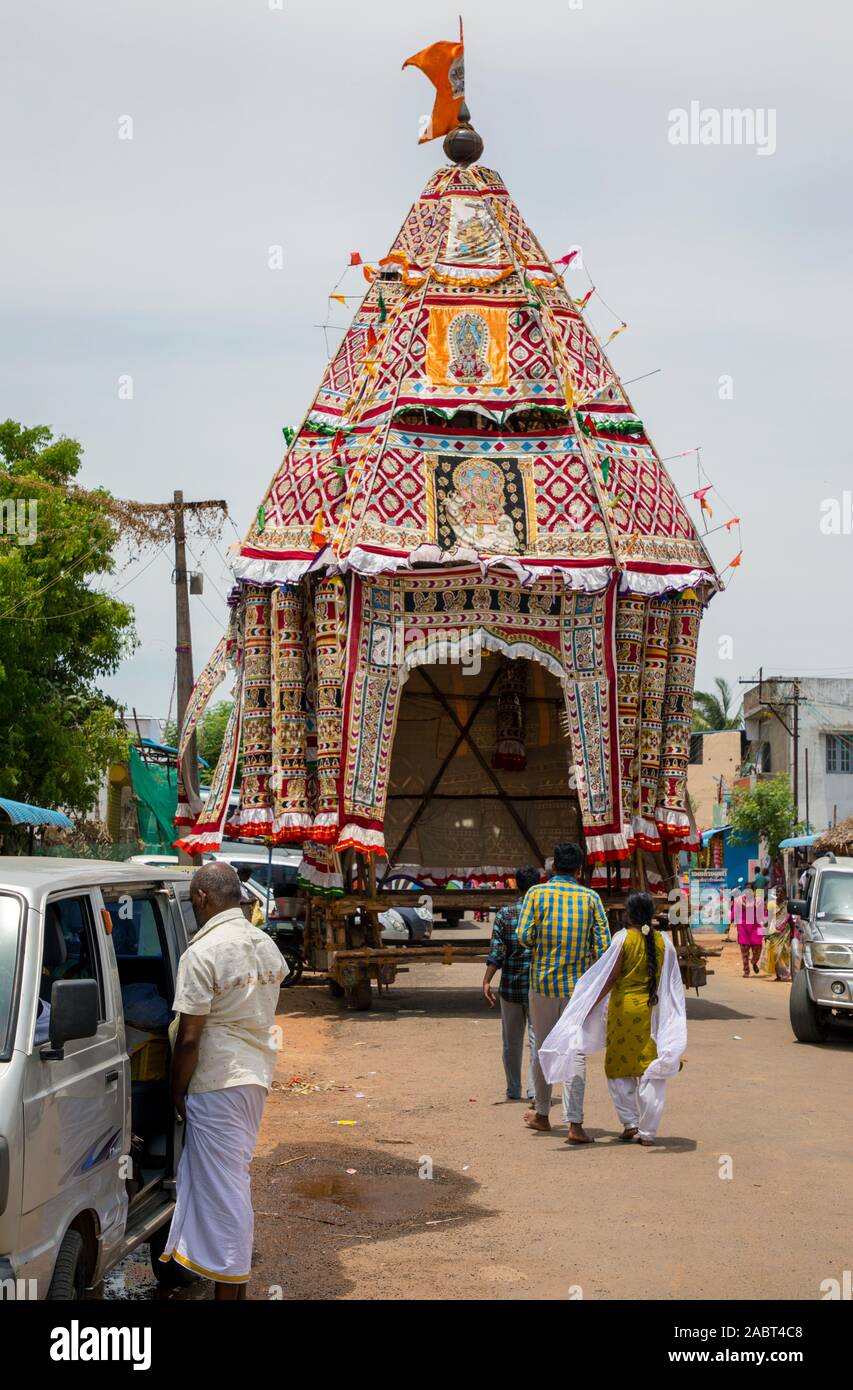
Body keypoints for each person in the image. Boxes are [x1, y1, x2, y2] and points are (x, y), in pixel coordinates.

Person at [159, 861, 286, 1299]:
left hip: (216, 1081)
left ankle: (231, 1289)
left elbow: (190, 1038)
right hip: (253, 1077)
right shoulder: (265, 945)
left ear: (201, 899)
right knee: (226, 1179)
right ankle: (224, 1280)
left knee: (225, 1189)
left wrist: (176, 1089)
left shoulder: (203, 952)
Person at [538, 891, 687, 1147]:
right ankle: (648, 1132)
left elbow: (609, 977)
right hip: (651, 1011)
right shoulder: (664, 941)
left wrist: (586, 1006)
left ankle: (630, 1123)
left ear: (629, 914)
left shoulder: (623, 939)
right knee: (648, 1069)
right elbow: (672, 983)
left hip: (623, 1013)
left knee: (619, 1068)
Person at [515, 842, 611, 1144]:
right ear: (579, 870)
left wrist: (545, 945)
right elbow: (603, 947)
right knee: (575, 1053)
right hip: (576, 990)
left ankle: (542, 1115)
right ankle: (575, 1124)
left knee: (543, 1049)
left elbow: (524, 936)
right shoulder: (591, 898)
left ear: (554, 867)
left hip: (542, 984)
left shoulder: (536, 894)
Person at [482, 866, 541, 1101]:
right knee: (537, 1043)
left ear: (516, 884)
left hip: (510, 987)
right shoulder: (543, 913)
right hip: (539, 987)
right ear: (538, 884)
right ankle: (535, 1090)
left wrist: (487, 980)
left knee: (511, 1042)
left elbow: (497, 951)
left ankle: (513, 1089)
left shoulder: (505, 914)